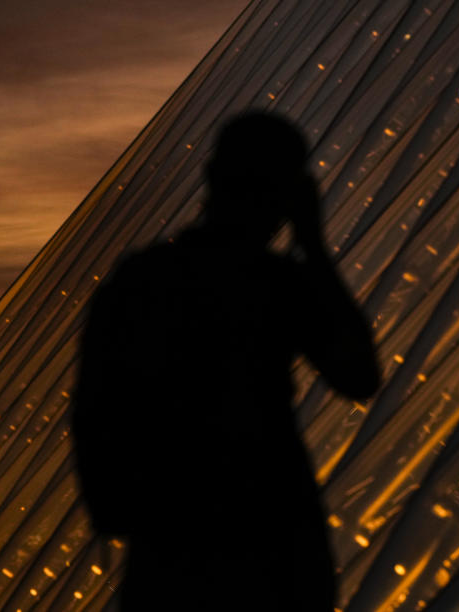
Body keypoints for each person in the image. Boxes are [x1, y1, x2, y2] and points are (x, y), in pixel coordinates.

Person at [73, 112, 380, 611]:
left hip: (173, 536)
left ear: (213, 178)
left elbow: (94, 409)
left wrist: (125, 511)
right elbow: (359, 375)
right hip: (274, 537)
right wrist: (316, 248)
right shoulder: (280, 284)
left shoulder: (145, 278)